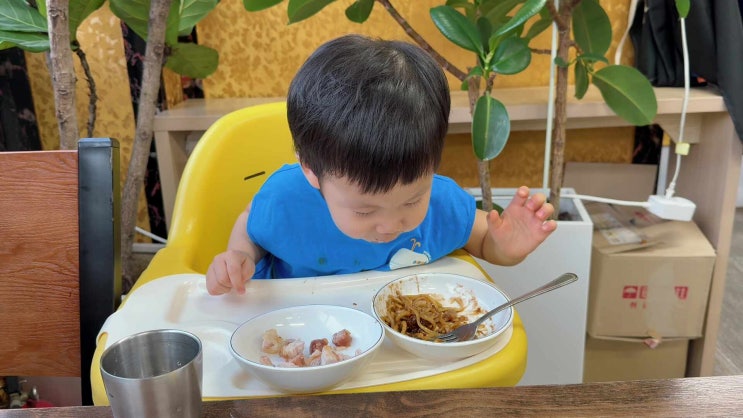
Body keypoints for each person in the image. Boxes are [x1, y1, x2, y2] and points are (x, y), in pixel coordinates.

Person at [205, 34, 557, 296]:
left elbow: (482, 240)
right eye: (364, 210)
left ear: (432, 165)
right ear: (311, 169)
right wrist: (238, 255)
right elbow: (251, 227)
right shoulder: (285, 201)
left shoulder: (440, 201)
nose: (390, 226)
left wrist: (506, 249)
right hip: (299, 334)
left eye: (411, 201)